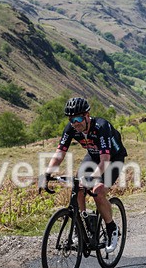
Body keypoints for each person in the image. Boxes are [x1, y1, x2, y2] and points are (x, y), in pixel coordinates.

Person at [43, 97, 127, 252]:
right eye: (71, 119)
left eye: (78, 118)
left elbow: (105, 161)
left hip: (112, 159)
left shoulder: (102, 127)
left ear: (87, 115)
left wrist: (92, 178)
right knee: (78, 189)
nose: (75, 123)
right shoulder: (71, 128)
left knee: (98, 191)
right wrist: (47, 174)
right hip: (93, 157)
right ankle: (82, 225)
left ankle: (111, 228)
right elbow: (60, 153)